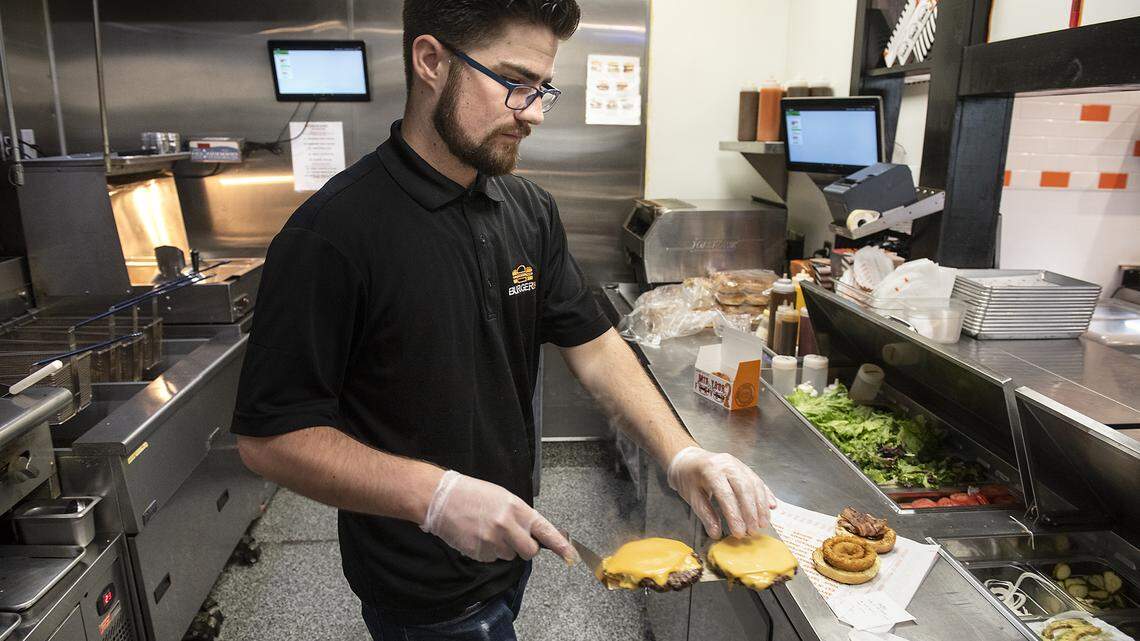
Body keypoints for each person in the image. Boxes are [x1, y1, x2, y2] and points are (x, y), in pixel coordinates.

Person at [231, 1, 776, 639]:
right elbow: (271, 437)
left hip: (510, 550)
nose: (536, 112)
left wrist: (680, 452)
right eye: (514, 83)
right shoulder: (334, 234)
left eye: (543, 87)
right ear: (430, 60)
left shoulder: (528, 209)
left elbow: (595, 346)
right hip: (419, 585)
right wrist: (435, 499)